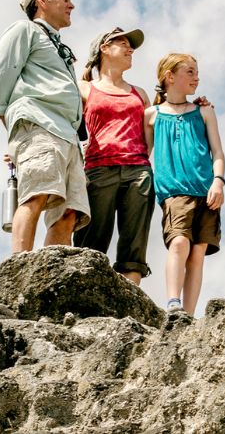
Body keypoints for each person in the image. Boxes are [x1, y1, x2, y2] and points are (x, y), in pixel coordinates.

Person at [0, 0, 91, 252]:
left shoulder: (60, 47)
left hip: (68, 135)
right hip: (40, 125)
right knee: (36, 194)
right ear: (42, 0)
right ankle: (19, 269)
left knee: (71, 212)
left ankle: (51, 276)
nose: (71, 4)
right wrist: (17, 126)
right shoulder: (25, 30)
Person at [144, 53, 225, 316]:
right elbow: (142, 154)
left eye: (196, 72)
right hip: (173, 192)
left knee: (198, 252)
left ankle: (188, 315)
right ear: (169, 76)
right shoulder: (151, 115)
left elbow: (218, 153)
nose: (196, 77)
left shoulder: (204, 111)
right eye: (189, 72)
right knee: (179, 242)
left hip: (206, 191)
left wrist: (218, 182)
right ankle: (173, 303)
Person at [73, 27, 154, 285]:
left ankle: (129, 306)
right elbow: (63, 124)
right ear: (104, 49)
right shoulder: (84, 88)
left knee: (134, 246)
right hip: (98, 170)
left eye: (131, 45)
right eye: (123, 43)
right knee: (90, 242)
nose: (130, 49)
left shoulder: (140, 93)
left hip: (138, 172)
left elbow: (152, 133)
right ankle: (83, 300)